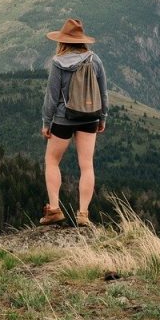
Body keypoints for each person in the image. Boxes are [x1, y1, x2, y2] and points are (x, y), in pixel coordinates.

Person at [39, 18, 108, 226]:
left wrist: (46, 122)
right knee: (86, 165)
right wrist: (102, 117)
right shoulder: (95, 60)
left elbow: (51, 96)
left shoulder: (58, 62)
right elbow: (103, 92)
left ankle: (54, 209)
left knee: (52, 161)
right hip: (89, 117)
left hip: (63, 118)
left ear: (63, 40)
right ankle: (83, 214)